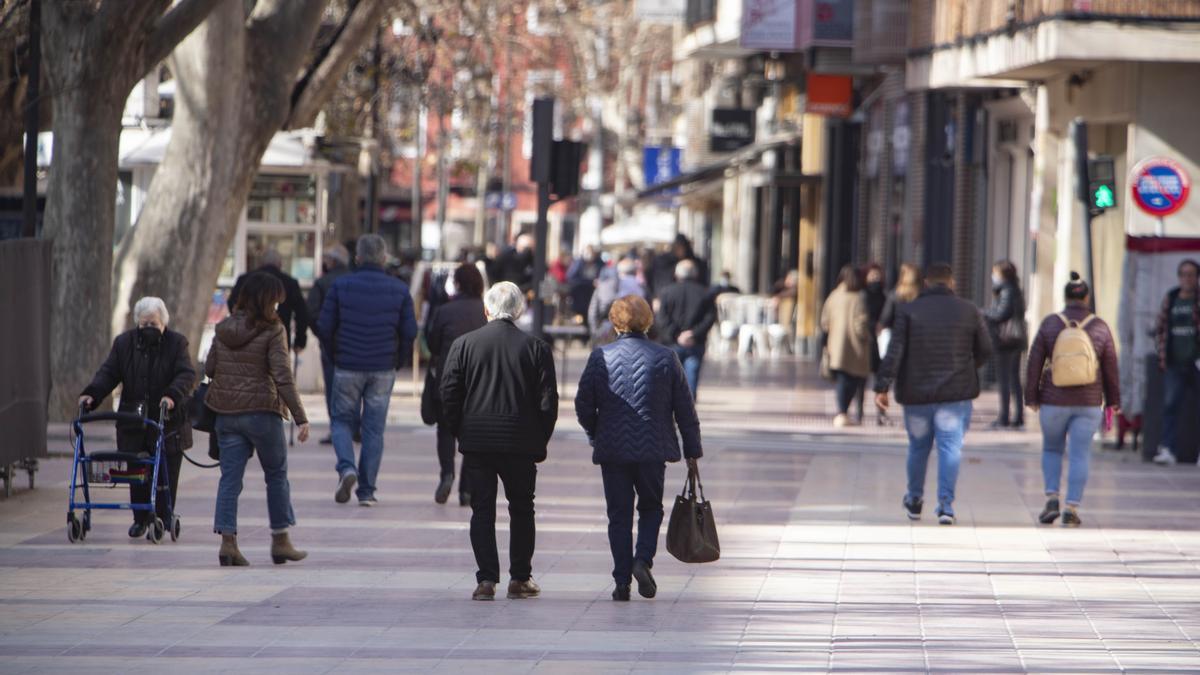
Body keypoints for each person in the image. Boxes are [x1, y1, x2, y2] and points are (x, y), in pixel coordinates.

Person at [576, 295, 702, 601]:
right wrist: (692, 450)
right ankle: (642, 560)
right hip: (652, 448)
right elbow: (685, 409)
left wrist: (596, 433)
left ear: (615, 322)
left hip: (613, 449)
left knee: (618, 515)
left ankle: (621, 582)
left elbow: (583, 404)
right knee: (650, 507)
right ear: (647, 320)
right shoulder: (666, 357)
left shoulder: (600, 357)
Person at [440, 282, 559, 601]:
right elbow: (548, 401)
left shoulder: (464, 344)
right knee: (522, 509)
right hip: (521, 442)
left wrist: (461, 430)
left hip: (478, 441)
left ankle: (486, 579)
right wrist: (539, 438)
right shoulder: (536, 348)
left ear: (486, 310)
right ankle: (520, 577)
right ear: (519, 311)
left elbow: (449, 393)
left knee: (482, 509)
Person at [874, 263, 992, 526]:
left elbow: (895, 352)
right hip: (956, 395)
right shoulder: (969, 310)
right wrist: (967, 367)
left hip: (916, 394)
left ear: (926, 282)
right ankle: (946, 506)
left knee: (918, 448)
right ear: (951, 282)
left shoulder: (909, 310)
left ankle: (914, 499)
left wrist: (882, 386)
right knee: (950, 448)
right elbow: (985, 349)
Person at [205, 272, 310, 566]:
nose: (277, 306)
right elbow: (282, 375)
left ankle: (228, 543)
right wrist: (300, 417)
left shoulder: (223, 328)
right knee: (276, 475)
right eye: (275, 301)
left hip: (226, 415)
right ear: (267, 301)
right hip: (262, 413)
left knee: (229, 479)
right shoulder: (273, 330)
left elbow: (210, 368)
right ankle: (280, 540)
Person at [79, 297, 196, 539]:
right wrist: (92, 394)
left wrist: (172, 395)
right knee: (137, 471)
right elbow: (109, 373)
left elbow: (186, 374)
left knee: (165, 472)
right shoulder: (124, 343)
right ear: (137, 323)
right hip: (134, 419)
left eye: (154, 324)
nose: (148, 329)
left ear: (163, 323)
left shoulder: (177, 343)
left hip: (168, 421)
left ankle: (162, 516)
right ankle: (140, 518)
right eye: (144, 325)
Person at [317, 234, 418, 506]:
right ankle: (367, 491)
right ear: (384, 258)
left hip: (347, 365)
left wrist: (335, 354)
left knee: (341, 421)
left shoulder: (340, 286)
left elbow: (324, 326)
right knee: (374, 429)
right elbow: (410, 331)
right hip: (383, 367)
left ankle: (346, 467)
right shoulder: (399, 289)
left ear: (358, 258)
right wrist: (398, 360)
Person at [1025, 273, 1120, 528]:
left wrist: (1031, 396)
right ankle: (1071, 508)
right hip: (1088, 402)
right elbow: (1110, 366)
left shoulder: (1050, 324)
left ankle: (1051, 499)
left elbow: (1034, 362)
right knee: (1080, 455)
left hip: (1053, 400)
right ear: (1086, 298)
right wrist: (1113, 400)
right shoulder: (1100, 326)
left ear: (1065, 297)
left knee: (1052, 449)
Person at [425, 263, 488, 506]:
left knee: (445, 430)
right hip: (477, 383)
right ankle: (467, 490)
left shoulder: (445, 310)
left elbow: (432, 343)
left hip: (447, 379)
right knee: (471, 435)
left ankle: (447, 474)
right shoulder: (486, 312)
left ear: (458, 283)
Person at [1153, 259, 1200, 466]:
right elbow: (1160, 326)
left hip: (1196, 361)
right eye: (1184, 274)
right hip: (1174, 362)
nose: (1187, 279)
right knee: (1170, 404)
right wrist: (1162, 352)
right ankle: (1168, 449)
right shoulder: (1171, 298)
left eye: (1191, 275)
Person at [307, 244, 355, 445]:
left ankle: (337, 428)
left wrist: (322, 335)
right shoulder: (355, 280)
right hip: (354, 343)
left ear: (333, 261)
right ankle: (354, 426)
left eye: (327, 259)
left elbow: (312, 313)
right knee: (353, 388)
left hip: (330, 345)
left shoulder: (322, 283)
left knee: (333, 388)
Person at [655, 259, 717, 401]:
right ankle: (689, 405)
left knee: (672, 377)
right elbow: (710, 318)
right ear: (695, 275)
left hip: (673, 343)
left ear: (676, 274)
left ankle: (674, 405)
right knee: (692, 375)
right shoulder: (704, 292)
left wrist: (676, 334)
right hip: (695, 342)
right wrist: (693, 333)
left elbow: (661, 318)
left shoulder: (667, 292)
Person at [228, 248, 309, 354]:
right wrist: (300, 341)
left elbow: (232, 303)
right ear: (280, 264)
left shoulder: (245, 279)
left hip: (246, 336)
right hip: (279, 339)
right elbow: (302, 313)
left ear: (261, 263)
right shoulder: (290, 283)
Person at [821, 265, 872, 428]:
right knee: (853, 380)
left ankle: (842, 413)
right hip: (855, 346)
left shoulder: (833, 296)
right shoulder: (858, 298)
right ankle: (844, 413)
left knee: (842, 379)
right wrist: (867, 337)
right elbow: (861, 323)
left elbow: (824, 321)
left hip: (836, 345)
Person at [985, 260, 1028, 430]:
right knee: (1014, 378)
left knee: (1005, 379)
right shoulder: (1015, 289)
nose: (993, 276)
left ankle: (1004, 417)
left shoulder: (1006, 290)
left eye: (995, 272)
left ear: (1002, 274)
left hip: (1006, 340)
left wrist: (984, 313)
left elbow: (1001, 314)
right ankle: (1018, 417)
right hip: (1015, 339)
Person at [588, 257, 646, 344]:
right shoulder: (640, 287)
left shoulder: (603, 286)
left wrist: (595, 332)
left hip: (606, 333)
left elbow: (593, 312)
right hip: (634, 337)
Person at [650, 234, 709, 300]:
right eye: (677, 247)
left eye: (681, 247)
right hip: (670, 297)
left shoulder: (697, 262)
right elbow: (660, 283)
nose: (680, 250)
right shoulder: (663, 261)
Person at [567, 245, 605, 317]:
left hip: (593, 294)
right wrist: (590, 282)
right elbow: (571, 278)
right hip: (580, 294)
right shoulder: (578, 263)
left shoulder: (599, 264)